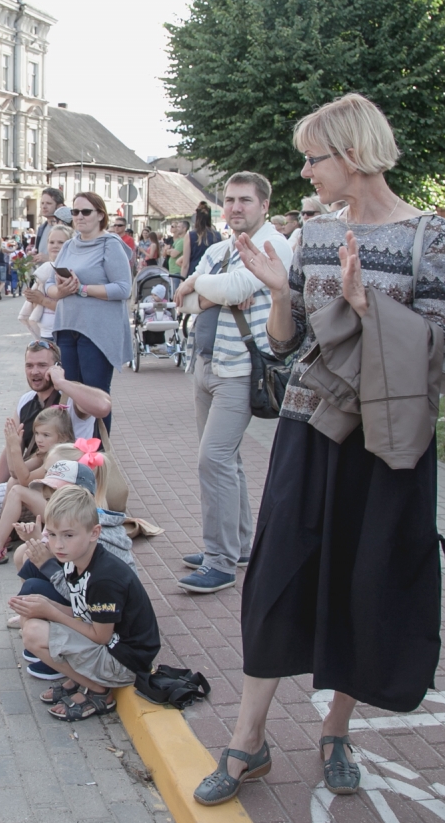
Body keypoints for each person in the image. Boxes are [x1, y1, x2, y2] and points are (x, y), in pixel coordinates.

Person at [195, 94, 445, 806]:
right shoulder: (311, 233)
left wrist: (370, 306)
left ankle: (337, 729)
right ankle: (248, 739)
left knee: (361, 580)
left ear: (354, 154)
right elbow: (289, 343)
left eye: (315, 157)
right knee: (276, 573)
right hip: (309, 430)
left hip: (384, 440)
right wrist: (280, 293)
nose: (305, 170)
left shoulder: (428, 235)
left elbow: (439, 350)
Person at [173, 173, 293, 594]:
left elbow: (235, 286)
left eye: (245, 200)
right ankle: (238, 545)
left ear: (264, 205)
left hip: (241, 368)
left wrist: (199, 285)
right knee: (228, 461)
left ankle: (219, 561)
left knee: (214, 460)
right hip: (206, 364)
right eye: (229, 200)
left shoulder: (273, 244)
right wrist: (209, 290)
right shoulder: (222, 248)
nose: (236, 207)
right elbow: (183, 301)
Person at [10, 486, 160, 722]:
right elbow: (84, 612)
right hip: (109, 644)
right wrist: (45, 604)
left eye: (68, 535)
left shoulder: (104, 579)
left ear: (94, 532)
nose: (58, 545)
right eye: (52, 534)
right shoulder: (75, 559)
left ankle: (99, 692)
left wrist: (51, 611)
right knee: (33, 606)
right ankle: (80, 679)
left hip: (124, 662)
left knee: (34, 633)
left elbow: (99, 636)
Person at [0, 340, 110, 525]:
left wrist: (62, 382)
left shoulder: (72, 399)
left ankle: (6, 529)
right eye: (29, 365)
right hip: (31, 474)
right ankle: (7, 527)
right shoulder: (26, 400)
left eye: (42, 365)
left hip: (61, 486)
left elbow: (104, 406)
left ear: (56, 368)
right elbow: (12, 447)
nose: (34, 371)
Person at [48, 191, 131, 433]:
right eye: (75, 212)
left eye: (86, 212)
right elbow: (49, 286)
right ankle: (74, 455)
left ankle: (99, 457)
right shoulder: (70, 245)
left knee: (95, 397)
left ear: (101, 215)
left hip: (97, 332)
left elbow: (124, 288)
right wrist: (61, 291)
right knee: (71, 395)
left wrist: (82, 289)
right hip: (67, 327)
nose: (79, 217)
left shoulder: (110, 244)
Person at [0, 404, 75, 566]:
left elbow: (25, 479)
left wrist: (16, 449)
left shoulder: (61, 456)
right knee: (13, 482)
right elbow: (15, 473)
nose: (39, 439)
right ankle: (2, 535)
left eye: (46, 434)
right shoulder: (45, 453)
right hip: (54, 507)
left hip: (66, 513)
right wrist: (11, 445)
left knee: (17, 490)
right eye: (37, 433)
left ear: (63, 437)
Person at [20, 226, 71, 338]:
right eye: (51, 242)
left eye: (61, 242)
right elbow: (36, 304)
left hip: (63, 334)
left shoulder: (70, 271)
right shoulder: (45, 269)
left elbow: (70, 309)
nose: (55, 245)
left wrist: (42, 300)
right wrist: (32, 296)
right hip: (45, 332)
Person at [34, 187, 65, 260]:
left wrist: (48, 259)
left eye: (48, 203)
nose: (44, 207)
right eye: (42, 203)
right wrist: (34, 257)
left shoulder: (67, 229)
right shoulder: (41, 229)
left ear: (59, 206)